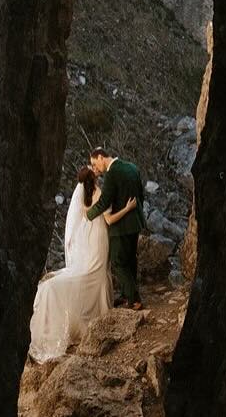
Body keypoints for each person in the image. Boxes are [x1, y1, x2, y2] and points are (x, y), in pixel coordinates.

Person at [27, 166, 136, 361]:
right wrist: (128, 208)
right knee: (97, 272)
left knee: (89, 272)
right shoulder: (99, 193)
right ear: (94, 179)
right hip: (98, 239)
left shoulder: (82, 196)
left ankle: (86, 308)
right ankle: (97, 308)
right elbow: (109, 219)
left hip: (87, 239)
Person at [86, 146, 145, 310]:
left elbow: (104, 202)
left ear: (100, 157)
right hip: (136, 222)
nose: (96, 169)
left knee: (118, 263)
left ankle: (134, 299)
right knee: (130, 259)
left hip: (121, 226)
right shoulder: (132, 167)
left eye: (95, 164)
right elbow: (141, 194)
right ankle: (127, 294)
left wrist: (88, 215)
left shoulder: (112, 174)